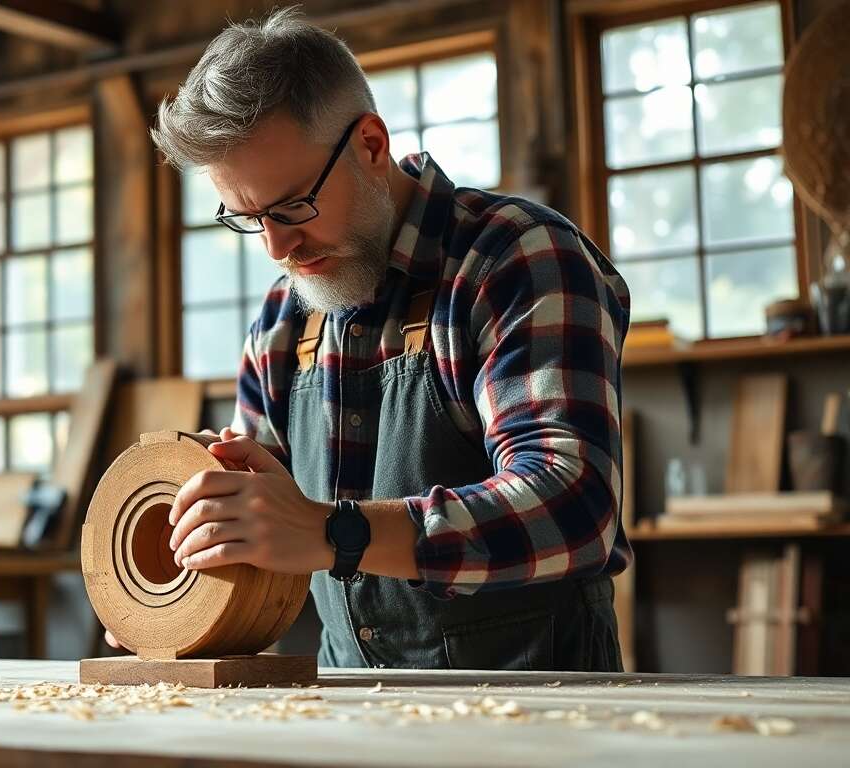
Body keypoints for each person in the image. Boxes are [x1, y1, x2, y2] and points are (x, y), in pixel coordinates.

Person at [110, 7, 632, 671]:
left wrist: (338, 533)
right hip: (348, 705)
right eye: (248, 219)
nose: (276, 246)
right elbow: (257, 536)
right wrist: (173, 593)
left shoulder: (518, 260)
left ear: (371, 145)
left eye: (293, 206)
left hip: (539, 707)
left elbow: (573, 505)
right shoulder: (281, 322)